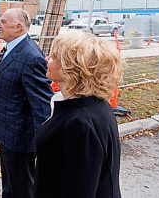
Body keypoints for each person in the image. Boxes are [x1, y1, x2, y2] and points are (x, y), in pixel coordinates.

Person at [34, 30, 122, 198]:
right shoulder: (96, 105)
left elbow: (78, 190)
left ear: (71, 67)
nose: (46, 59)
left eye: (53, 57)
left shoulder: (79, 123)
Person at [0, 8, 53, 198]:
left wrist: (44, 145)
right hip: (5, 132)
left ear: (18, 27)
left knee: (22, 188)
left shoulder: (31, 56)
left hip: (19, 139)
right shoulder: (12, 46)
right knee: (10, 185)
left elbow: (42, 105)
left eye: (3, 21)